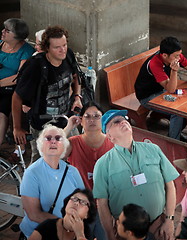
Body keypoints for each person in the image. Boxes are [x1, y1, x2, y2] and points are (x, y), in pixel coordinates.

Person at [93, 109, 179, 240]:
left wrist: (169, 220)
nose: (123, 122)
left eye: (124, 119)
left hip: (158, 227)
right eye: (116, 121)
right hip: (126, 233)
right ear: (110, 136)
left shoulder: (153, 149)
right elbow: (102, 203)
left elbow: (170, 186)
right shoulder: (102, 164)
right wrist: (110, 234)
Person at [12, 25, 82, 163]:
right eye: (57, 47)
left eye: (65, 45)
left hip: (65, 117)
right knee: (42, 162)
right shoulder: (36, 66)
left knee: (76, 152)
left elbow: (76, 76)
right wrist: (17, 128)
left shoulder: (68, 55)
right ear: (47, 48)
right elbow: (17, 96)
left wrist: (77, 96)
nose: (63, 50)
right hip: (42, 123)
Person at [19, 125, 84, 239]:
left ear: (63, 146)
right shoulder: (32, 173)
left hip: (67, 234)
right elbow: (34, 214)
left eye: (58, 138)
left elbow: (84, 201)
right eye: (48, 138)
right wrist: (66, 224)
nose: (53, 141)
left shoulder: (72, 171)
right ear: (41, 146)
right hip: (41, 234)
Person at [64, 101, 112, 240]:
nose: (92, 120)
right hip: (80, 206)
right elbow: (55, 153)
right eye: (87, 116)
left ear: (103, 119)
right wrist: (68, 127)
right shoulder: (73, 142)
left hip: (105, 205)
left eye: (96, 116)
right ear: (81, 121)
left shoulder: (112, 143)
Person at [0, 18, 34, 147]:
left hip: (11, 90)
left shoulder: (26, 51)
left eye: (7, 30)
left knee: (2, 110)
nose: (3, 31)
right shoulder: (1, 44)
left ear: (17, 36)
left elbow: (20, 77)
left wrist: (0, 83)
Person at [28, 188, 97, 240]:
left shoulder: (88, 233)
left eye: (83, 202)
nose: (76, 203)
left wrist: (80, 235)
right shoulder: (48, 225)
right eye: (74, 199)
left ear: (87, 215)